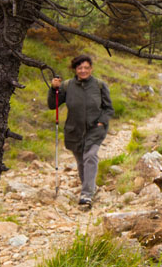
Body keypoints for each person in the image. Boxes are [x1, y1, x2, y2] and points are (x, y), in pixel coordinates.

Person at [47, 54, 114, 206]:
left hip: (95, 129)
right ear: (75, 69)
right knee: (81, 161)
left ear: (91, 69)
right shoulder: (67, 85)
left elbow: (108, 108)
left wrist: (102, 122)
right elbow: (53, 105)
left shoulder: (99, 85)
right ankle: (89, 187)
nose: (83, 70)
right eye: (80, 68)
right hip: (74, 130)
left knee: (90, 156)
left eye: (86, 68)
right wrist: (53, 89)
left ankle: (87, 194)